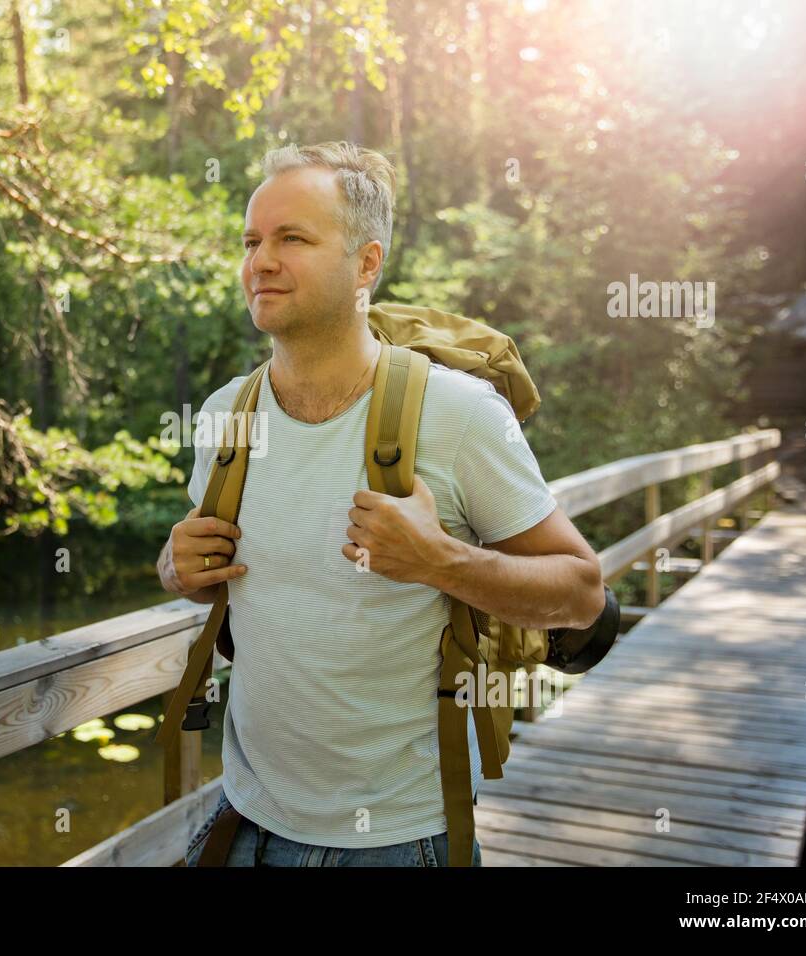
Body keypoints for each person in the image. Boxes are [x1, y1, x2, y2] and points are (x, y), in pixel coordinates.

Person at [155, 141, 605, 867]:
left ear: (366, 264)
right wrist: (174, 570)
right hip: (245, 818)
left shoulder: (456, 414)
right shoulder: (222, 418)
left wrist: (439, 560)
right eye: (252, 241)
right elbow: (200, 575)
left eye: (292, 238)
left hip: (398, 840)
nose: (260, 261)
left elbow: (582, 592)